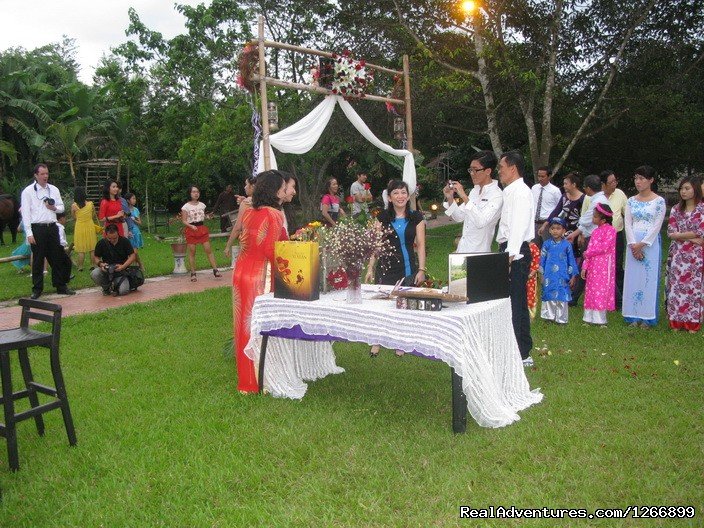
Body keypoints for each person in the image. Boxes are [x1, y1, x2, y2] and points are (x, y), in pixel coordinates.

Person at [232, 170, 289, 393]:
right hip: (259, 275)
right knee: (260, 327)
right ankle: (260, 381)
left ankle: (246, 383)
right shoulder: (274, 214)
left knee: (243, 328)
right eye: (283, 188)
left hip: (240, 273)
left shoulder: (248, 212)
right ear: (275, 191)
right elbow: (270, 250)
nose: (285, 192)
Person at [366, 179, 426, 357]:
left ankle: (400, 340)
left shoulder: (416, 217)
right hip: (385, 267)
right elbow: (375, 245)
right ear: (390, 198)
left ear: (408, 196)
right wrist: (370, 267)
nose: (400, 196)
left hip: (407, 268)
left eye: (403, 192)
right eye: (396, 193)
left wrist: (421, 269)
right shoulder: (382, 218)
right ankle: (377, 340)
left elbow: (421, 245)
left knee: (402, 305)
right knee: (382, 305)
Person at [496, 151, 535, 366]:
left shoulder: (520, 192)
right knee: (511, 301)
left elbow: (519, 226)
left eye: (501, 167)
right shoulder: (510, 191)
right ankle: (516, 348)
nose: (499, 171)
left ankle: (521, 352)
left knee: (517, 302)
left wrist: (510, 256)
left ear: (513, 168)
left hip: (516, 251)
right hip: (509, 249)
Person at [20, 163, 75, 298]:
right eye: (42, 174)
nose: (45, 176)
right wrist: (29, 233)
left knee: (56, 257)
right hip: (37, 228)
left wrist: (54, 208)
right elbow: (26, 214)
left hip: (52, 226)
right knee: (38, 260)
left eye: (47, 174)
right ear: (36, 175)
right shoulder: (28, 191)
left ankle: (60, 285)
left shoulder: (53, 189)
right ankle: (37, 289)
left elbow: (61, 208)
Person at [623, 165, 666, 328]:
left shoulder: (659, 201)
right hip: (633, 241)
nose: (638, 182)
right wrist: (633, 244)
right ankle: (632, 315)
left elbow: (657, 224)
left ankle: (647, 316)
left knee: (648, 279)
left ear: (651, 180)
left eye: (641, 178)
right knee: (633, 278)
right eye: (636, 178)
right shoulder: (631, 201)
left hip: (650, 242)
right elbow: (628, 223)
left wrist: (643, 244)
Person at [441, 150, 503, 253]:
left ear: (488, 171)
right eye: (470, 170)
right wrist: (450, 198)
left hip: (479, 253)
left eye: (475, 170)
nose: (472, 174)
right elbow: (459, 217)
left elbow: (481, 222)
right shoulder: (474, 191)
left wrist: (464, 196)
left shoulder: (497, 195)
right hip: (462, 249)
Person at [665, 176, 704, 333]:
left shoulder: (702, 209)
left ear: (695, 189)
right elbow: (670, 232)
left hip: (695, 256)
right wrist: (691, 237)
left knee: (693, 288)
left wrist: (679, 235)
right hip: (678, 255)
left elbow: (701, 232)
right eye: (681, 188)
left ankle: (692, 323)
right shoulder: (675, 209)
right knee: (676, 288)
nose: (683, 191)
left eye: (687, 188)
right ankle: (676, 321)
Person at [569, 174, 609, 306]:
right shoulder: (598, 199)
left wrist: (576, 232)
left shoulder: (598, 201)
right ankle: (574, 297)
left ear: (589, 188)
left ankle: (573, 298)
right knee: (585, 268)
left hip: (595, 239)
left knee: (585, 267)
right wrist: (576, 233)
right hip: (592, 236)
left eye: (585, 188)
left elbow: (585, 220)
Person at [580, 203, 617, 326]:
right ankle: (588, 317)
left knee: (600, 289)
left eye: (595, 217)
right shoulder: (595, 232)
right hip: (593, 265)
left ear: (603, 219)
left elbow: (604, 247)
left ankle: (600, 319)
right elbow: (590, 249)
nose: (593, 219)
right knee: (590, 289)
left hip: (604, 265)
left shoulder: (611, 231)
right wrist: (585, 266)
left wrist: (588, 253)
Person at [539, 218, 579, 324]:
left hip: (562, 275)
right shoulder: (546, 244)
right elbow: (542, 259)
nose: (555, 231)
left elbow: (571, 261)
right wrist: (541, 274)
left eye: (558, 228)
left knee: (562, 294)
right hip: (549, 275)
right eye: (553, 228)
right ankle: (549, 316)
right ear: (549, 230)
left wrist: (573, 276)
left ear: (564, 231)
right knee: (549, 293)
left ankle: (561, 318)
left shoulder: (567, 245)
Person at [181, 185, 222, 282]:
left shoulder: (202, 205)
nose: (196, 193)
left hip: (202, 229)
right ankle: (193, 273)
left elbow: (203, 216)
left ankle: (215, 270)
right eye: (194, 192)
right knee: (192, 252)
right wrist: (191, 226)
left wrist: (209, 217)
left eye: (197, 192)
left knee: (208, 249)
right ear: (190, 193)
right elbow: (184, 220)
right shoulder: (185, 207)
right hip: (191, 230)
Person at [600, 170, 628, 309]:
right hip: (600, 237)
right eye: (611, 182)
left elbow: (627, 213)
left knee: (616, 266)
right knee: (602, 267)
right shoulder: (597, 197)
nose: (614, 184)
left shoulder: (620, 194)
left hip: (617, 235)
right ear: (603, 184)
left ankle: (619, 298)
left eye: (615, 181)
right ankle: (604, 295)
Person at [91, 223, 138, 296]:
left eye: (115, 238)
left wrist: (123, 266)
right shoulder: (101, 243)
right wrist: (101, 264)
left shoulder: (124, 241)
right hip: (107, 270)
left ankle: (119, 284)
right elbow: (96, 257)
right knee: (95, 273)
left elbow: (132, 256)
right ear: (106, 235)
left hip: (121, 271)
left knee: (123, 291)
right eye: (109, 238)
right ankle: (106, 287)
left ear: (118, 234)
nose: (112, 240)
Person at [225, 175, 256, 258]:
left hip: (249, 240)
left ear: (252, 186)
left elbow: (238, 227)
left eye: (246, 184)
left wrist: (228, 245)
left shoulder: (247, 203)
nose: (245, 187)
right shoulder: (267, 201)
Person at [531, 166, 562, 248]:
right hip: (534, 223)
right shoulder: (534, 188)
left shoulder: (555, 191)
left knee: (548, 248)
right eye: (539, 176)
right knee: (534, 248)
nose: (540, 178)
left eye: (542, 176)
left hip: (547, 223)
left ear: (549, 176)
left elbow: (560, 208)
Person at [71, 186, 97, 272]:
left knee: (81, 250)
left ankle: (80, 267)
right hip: (90, 225)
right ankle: (93, 265)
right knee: (92, 247)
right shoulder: (90, 204)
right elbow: (93, 215)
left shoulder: (74, 206)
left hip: (79, 227)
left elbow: (74, 217)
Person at [124, 192, 145, 272]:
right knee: (131, 252)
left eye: (135, 198)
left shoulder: (136, 210)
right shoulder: (125, 210)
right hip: (128, 231)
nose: (135, 200)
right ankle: (135, 265)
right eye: (133, 198)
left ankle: (139, 264)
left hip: (135, 232)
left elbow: (140, 222)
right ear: (128, 200)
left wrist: (134, 219)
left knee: (135, 252)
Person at [526, 241, 541, 320]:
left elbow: (536, 263)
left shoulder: (534, 247)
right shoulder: (518, 245)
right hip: (520, 275)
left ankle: (530, 315)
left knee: (530, 294)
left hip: (531, 277)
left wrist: (531, 274)